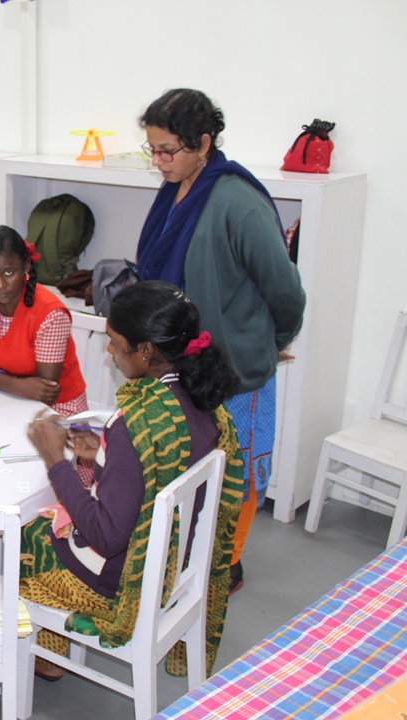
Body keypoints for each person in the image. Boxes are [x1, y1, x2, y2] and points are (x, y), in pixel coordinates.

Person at [20, 280, 244, 682]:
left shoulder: (136, 422)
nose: (110, 350)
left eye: (115, 342)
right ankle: (51, 652)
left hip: (128, 582)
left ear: (146, 351)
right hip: (178, 561)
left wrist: (56, 461)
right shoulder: (202, 398)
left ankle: (49, 655)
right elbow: (162, 466)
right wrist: (105, 454)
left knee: (26, 538)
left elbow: (106, 538)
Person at [137, 88, 306, 593]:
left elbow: (286, 291)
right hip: (185, 361)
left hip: (233, 368)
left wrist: (269, 341)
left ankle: (226, 564)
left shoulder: (239, 202)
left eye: (168, 150)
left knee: (236, 469)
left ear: (204, 143)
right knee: (193, 465)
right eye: (153, 149)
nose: (159, 161)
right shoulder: (175, 192)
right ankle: (189, 551)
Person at [0, 225, 90, 483]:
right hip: (7, 399)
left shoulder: (50, 313)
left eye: (9, 272)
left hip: (58, 409)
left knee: (36, 481)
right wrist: (18, 385)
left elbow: (45, 392)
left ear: (26, 266)